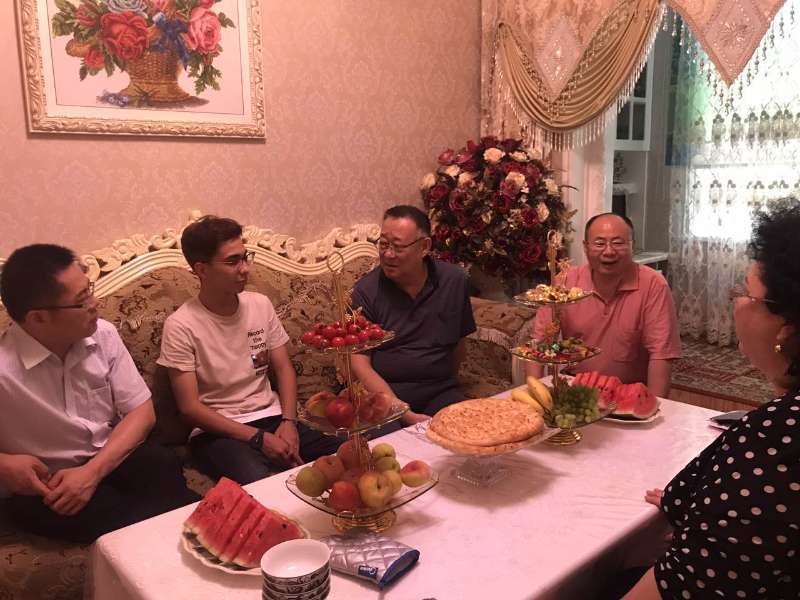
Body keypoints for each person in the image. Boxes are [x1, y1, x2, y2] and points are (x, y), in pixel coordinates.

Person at [623, 199, 800, 599]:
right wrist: (707, 506)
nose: (736, 302)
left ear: (786, 331)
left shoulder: (774, 444)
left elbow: (681, 586)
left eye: (746, 293)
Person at [0, 244, 198, 544]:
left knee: (161, 463)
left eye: (89, 289)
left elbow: (141, 412)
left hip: (109, 457)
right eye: (82, 300)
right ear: (38, 318)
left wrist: (92, 473)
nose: (96, 303)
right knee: (135, 522)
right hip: (53, 485)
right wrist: (4, 465)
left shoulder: (102, 334)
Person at [157, 216, 336, 485]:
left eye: (245, 257)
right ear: (201, 269)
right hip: (218, 432)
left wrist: (289, 421)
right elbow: (189, 408)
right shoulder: (181, 325)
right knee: (258, 480)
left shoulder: (259, 305)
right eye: (233, 262)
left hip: (272, 417)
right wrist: (258, 439)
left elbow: (283, 368)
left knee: (347, 451)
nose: (245, 269)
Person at [526, 213, 681, 397]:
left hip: (629, 391)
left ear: (632, 245)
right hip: (575, 388)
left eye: (618, 243)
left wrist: (655, 404)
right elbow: (539, 343)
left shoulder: (653, 285)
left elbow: (661, 354)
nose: (609, 251)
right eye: (599, 243)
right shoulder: (564, 282)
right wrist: (535, 396)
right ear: (585, 247)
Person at [350, 205, 477, 424]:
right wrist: (403, 413)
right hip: (384, 396)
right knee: (387, 442)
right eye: (383, 244)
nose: (388, 254)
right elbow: (359, 364)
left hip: (440, 391)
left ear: (424, 247)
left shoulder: (454, 281)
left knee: (472, 428)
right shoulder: (366, 291)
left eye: (398, 247)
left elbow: (459, 345)